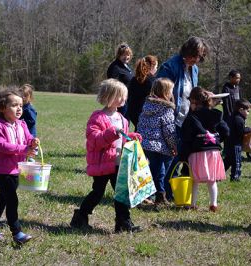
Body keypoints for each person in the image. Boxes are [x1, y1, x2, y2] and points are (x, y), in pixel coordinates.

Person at [70, 79, 142, 233]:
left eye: (124, 96)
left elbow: (121, 137)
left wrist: (131, 136)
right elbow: (94, 139)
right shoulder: (98, 117)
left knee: (121, 194)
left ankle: (123, 223)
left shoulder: (122, 118)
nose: (124, 99)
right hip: (103, 164)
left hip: (118, 162)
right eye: (120, 96)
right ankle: (80, 216)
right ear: (109, 97)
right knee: (97, 193)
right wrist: (112, 132)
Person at [156, 36, 209, 200]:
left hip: (187, 119)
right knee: (168, 157)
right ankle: (162, 191)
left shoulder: (194, 69)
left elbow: (192, 92)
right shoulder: (170, 66)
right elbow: (160, 92)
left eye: (200, 58)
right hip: (171, 119)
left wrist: (205, 96)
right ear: (189, 52)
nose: (197, 61)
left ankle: (169, 190)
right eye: (196, 56)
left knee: (179, 157)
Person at [0, 87, 40, 244]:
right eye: (14, 105)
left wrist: (32, 142)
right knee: (12, 200)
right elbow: (2, 146)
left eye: (21, 105)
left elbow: (28, 137)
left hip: (18, 169)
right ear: (2, 108)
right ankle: (17, 233)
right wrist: (24, 149)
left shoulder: (21, 124)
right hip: (2, 171)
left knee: (3, 199)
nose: (19, 109)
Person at [181, 87, 229, 211]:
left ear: (194, 102)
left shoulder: (192, 117)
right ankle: (213, 204)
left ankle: (192, 204)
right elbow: (226, 131)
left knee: (194, 179)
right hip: (213, 151)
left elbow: (186, 136)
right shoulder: (215, 115)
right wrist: (216, 140)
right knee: (212, 180)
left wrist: (184, 152)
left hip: (197, 150)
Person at [137, 78, 177, 207]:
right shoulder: (166, 109)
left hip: (145, 144)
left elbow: (140, 124)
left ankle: (146, 194)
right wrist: (173, 146)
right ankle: (160, 195)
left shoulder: (146, 106)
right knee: (160, 172)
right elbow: (169, 131)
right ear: (166, 92)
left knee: (150, 171)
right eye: (171, 90)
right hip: (158, 146)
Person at [223, 99, 251, 181]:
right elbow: (241, 131)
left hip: (229, 143)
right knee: (237, 161)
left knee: (228, 161)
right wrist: (249, 129)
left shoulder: (232, 116)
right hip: (236, 145)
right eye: (247, 111)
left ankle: (218, 174)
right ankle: (235, 177)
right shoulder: (239, 119)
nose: (248, 113)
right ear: (241, 110)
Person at [127, 55, 158, 131]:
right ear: (151, 67)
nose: (156, 69)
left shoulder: (134, 79)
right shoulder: (151, 80)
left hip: (133, 112)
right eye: (156, 67)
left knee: (138, 131)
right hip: (145, 113)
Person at [106, 43, 133, 119]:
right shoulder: (115, 67)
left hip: (128, 99)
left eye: (128, 55)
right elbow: (113, 84)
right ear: (119, 55)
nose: (126, 57)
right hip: (120, 101)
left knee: (125, 123)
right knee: (120, 122)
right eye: (124, 55)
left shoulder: (126, 66)